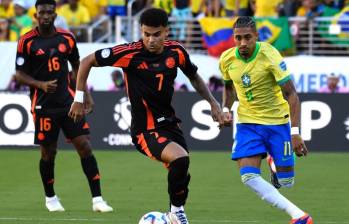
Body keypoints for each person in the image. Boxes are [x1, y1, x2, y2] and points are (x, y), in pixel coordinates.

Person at [69, 8, 224, 224]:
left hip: (169, 124)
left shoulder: (176, 52)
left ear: (167, 32)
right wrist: (78, 98)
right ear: (141, 31)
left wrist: (213, 103)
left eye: (156, 34)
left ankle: (175, 214)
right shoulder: (129, 53)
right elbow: (86, 61)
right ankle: (177, 215)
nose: (151, 40)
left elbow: (194, 77)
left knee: (182, 172)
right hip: (145, 129)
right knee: (180, 159)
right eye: (146, 34)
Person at [15, 0, 113, 213]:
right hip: (43, 106)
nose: (46, 16)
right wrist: (40, 84)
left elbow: (77, 65)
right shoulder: (26, 41)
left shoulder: (67, 38)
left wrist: (85, 94)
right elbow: (19, 74)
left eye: (50, 12)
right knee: (48, 152)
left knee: (84, 146)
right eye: (42, 13)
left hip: (69, 103)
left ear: (56, 13)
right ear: (36, 15)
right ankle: (50, 198)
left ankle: (98, 199)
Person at [219, 17, 313, 224]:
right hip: (247, 123)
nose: (242, 43)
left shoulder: (269, 55)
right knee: (249, 177)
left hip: (277, 122)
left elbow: (292, 95)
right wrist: (226, 109)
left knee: (287, 182)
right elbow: (228, 87)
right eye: (238, 38)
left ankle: (274, 164)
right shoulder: (226, 59)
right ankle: (299, 216)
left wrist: (296, 132)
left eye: (247, 38)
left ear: (256, 37)